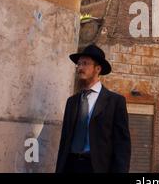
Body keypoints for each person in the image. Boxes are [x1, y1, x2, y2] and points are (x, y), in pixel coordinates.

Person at [56, 44, 131, 173]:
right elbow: (64, 142)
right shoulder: (72, 102)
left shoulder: (115, 102)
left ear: (97, 69)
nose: (80, 68)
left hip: (97, 167)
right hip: (71, 166)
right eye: (78, 64)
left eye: (85, 64)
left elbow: (122, 145)